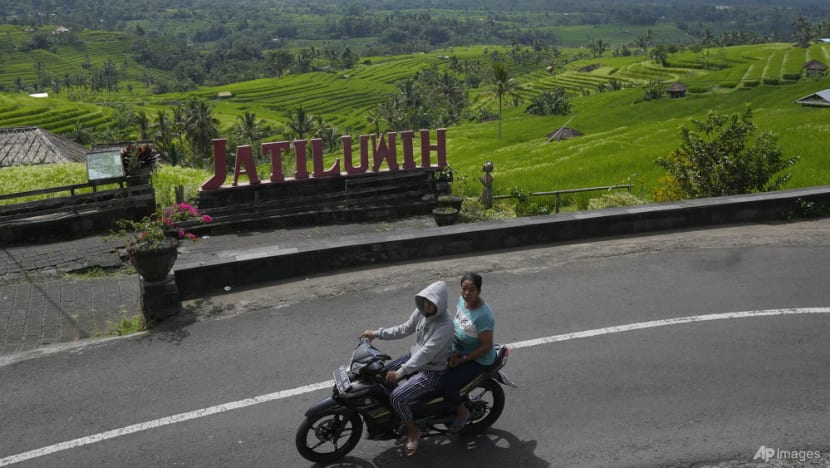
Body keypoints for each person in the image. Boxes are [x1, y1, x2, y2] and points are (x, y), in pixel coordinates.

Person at [360, 280, 454, 456]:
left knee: (397, 397)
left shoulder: (445, 325)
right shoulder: (422, 312)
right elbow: (404, 329)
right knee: (381, 376)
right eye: (425, 300)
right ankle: (400, 415)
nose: (427, 305)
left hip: (433, 370)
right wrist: (376, 334)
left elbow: (426, 353)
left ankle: (413, 430)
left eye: (431, 302)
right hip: (415, 357)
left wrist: (401, 372)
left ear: (440, 303)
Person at [437, 272, 496, 433]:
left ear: (479, 291)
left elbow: (486, 347)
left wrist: (462, 359)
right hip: (459, 350)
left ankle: (462, 411)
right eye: (464, 289)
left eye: (472, 290)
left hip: (477, 359)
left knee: (445, 384)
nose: (467, 293)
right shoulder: (461, 301)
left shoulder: (484, 316)